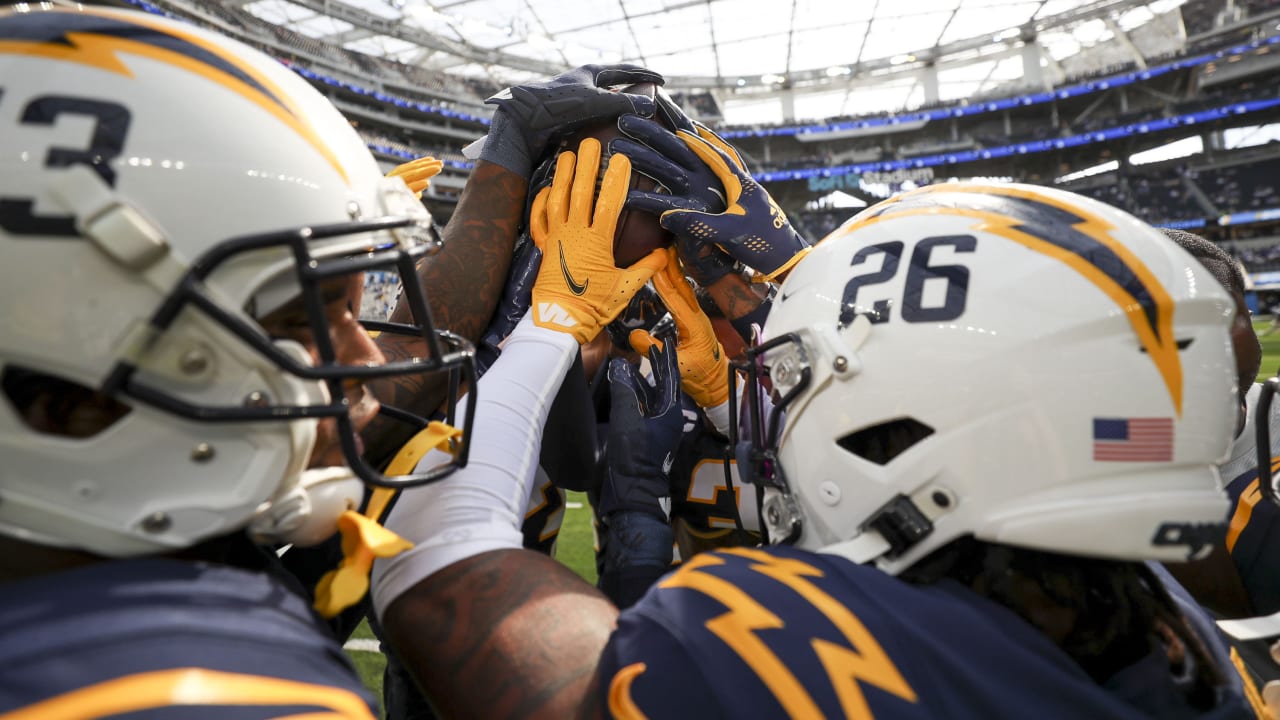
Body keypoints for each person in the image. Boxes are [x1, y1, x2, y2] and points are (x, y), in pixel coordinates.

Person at [371, 105, 1261, 717]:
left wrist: (545, 329)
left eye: (794, 378)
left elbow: (450, 573)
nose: (772, 400)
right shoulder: (1171, 620)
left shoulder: (812, 651)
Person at [0, 6, 484, 715]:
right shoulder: (206, 691)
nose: (364, 361)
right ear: (74, 397)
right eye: (301, 320)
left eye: (350, 310)